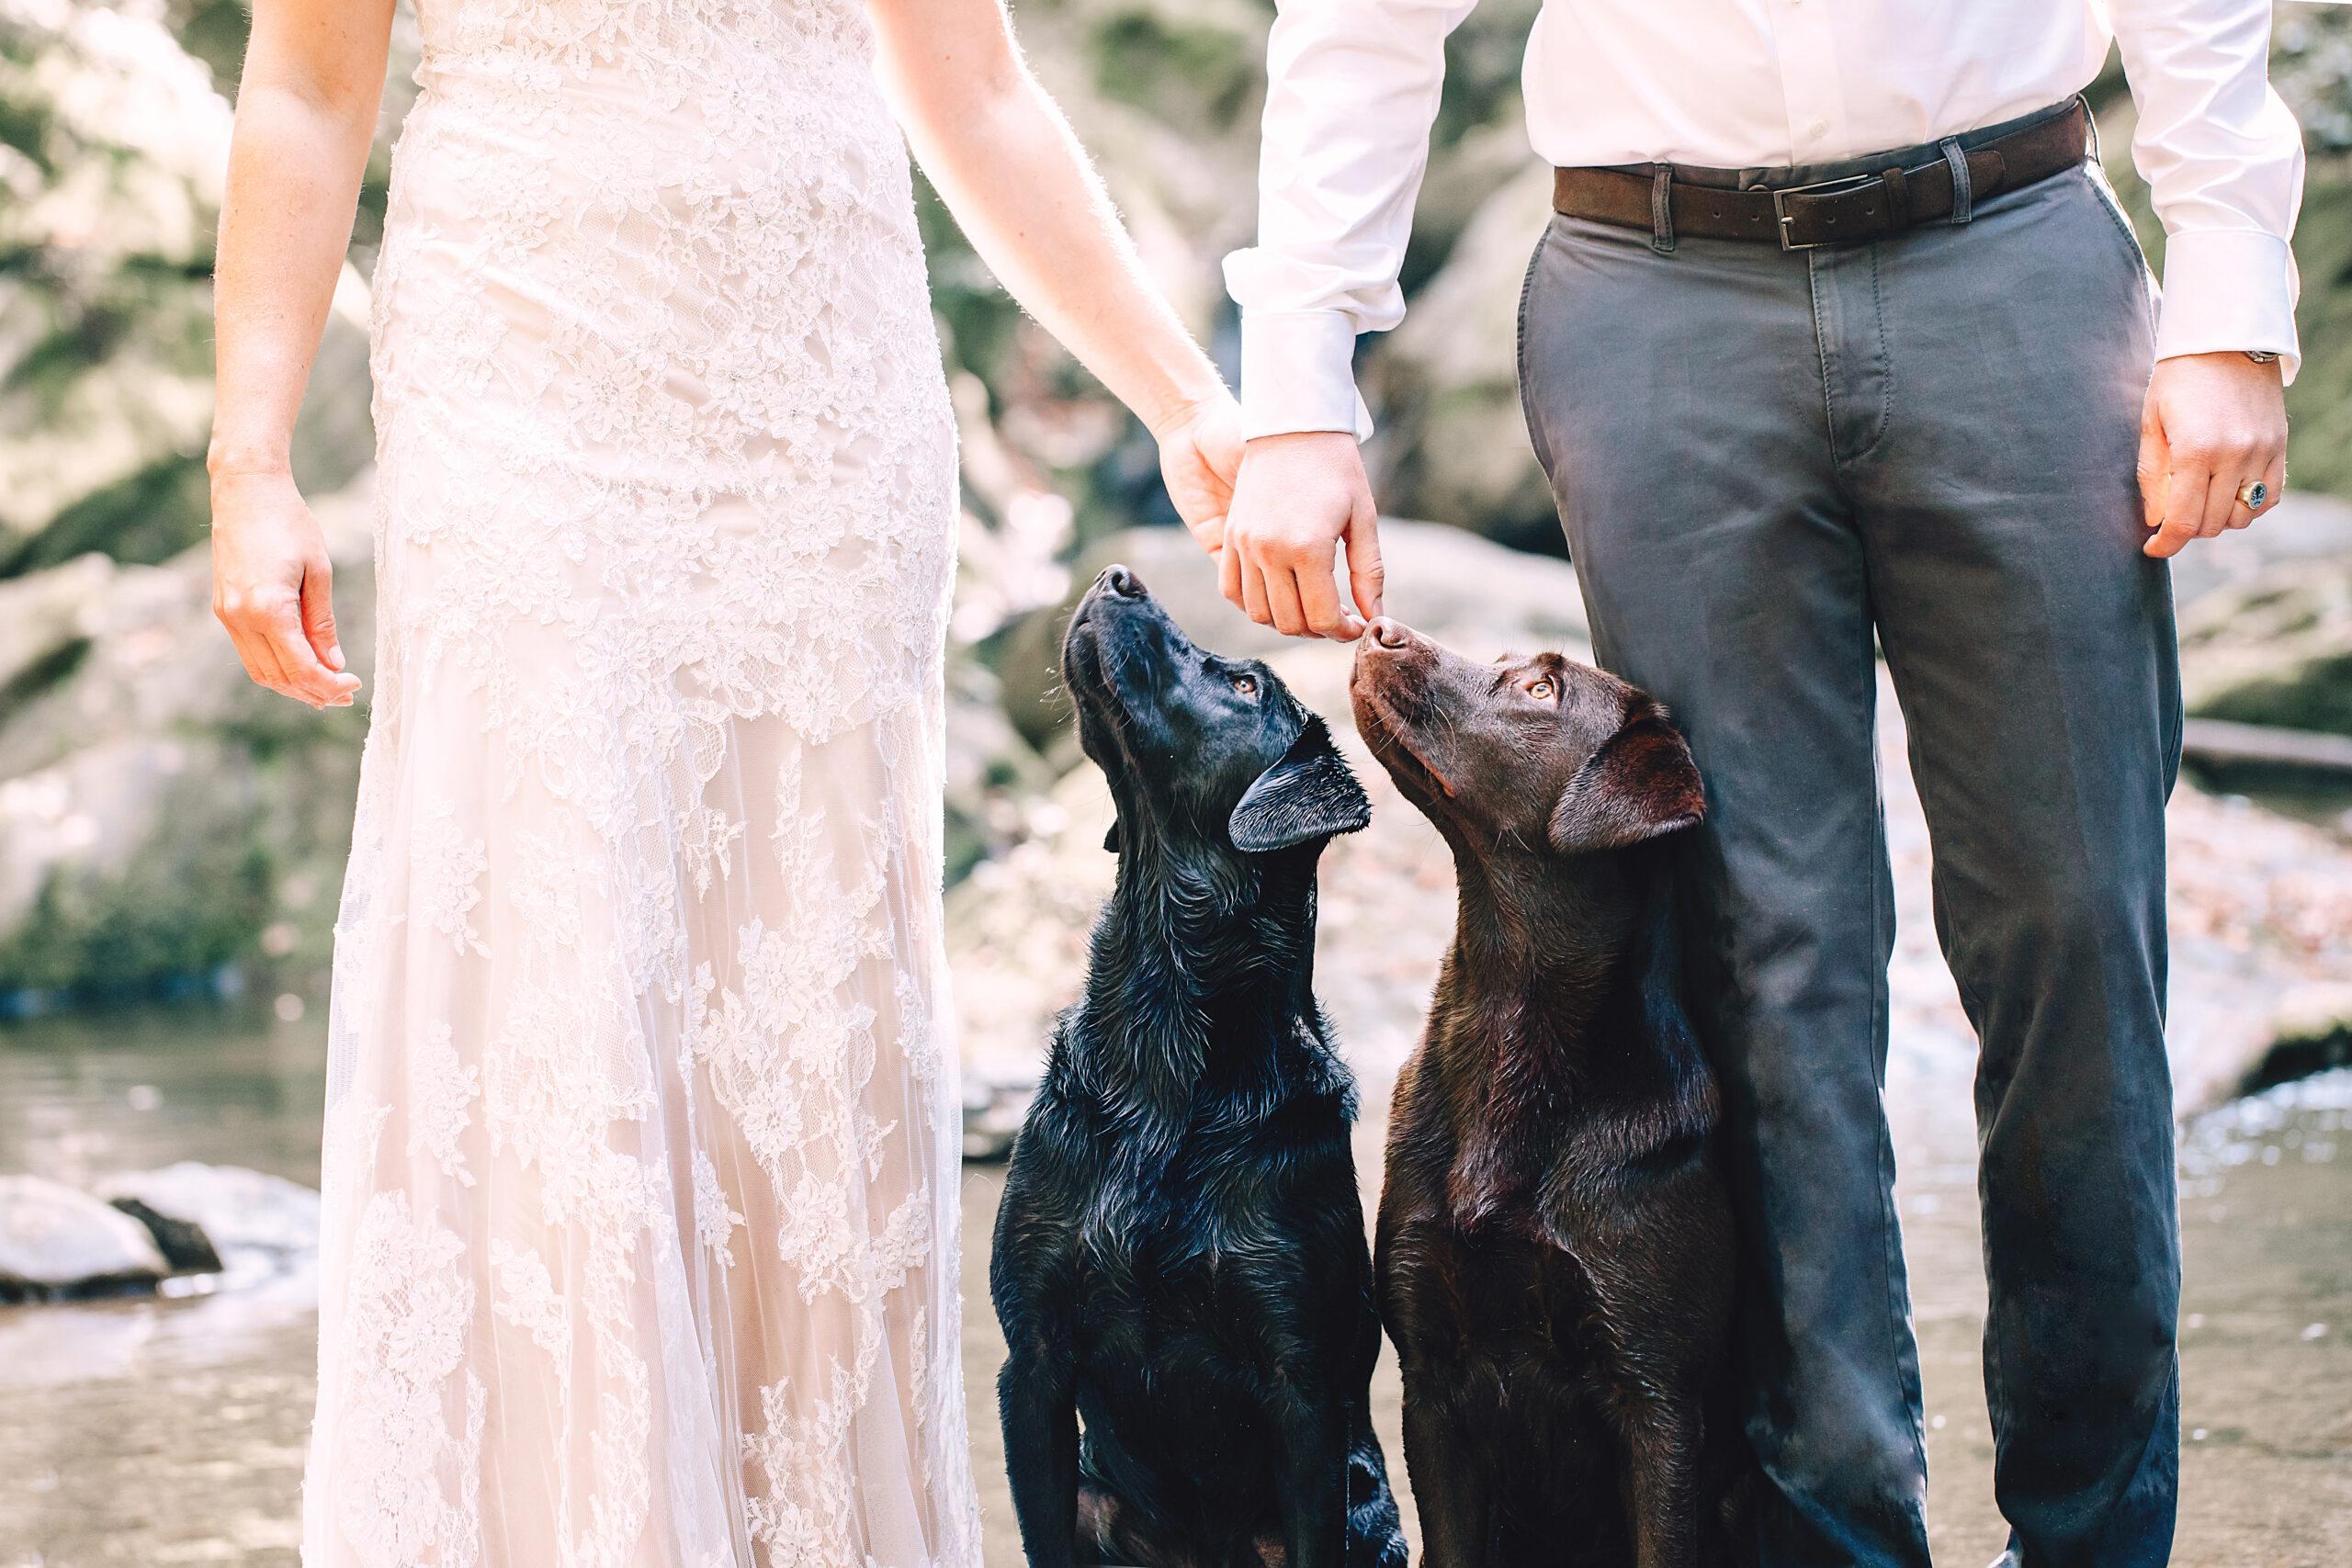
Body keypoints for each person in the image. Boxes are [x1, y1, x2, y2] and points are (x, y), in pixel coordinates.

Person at [1209, 3, 2301, 1565]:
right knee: (1756, 970)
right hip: (1657, 304)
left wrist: (2229, 295)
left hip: (2013, 259)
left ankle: (2096, 1543)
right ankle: (1830, 1541)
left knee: (2075, 936)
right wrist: (1302, 387)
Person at [206, 0, 1241, 1557]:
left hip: (820, 414)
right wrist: (250, 461)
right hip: (516, 386)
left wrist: (1184, 399)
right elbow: (302, 84)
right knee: (557, 974)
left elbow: (976, 91)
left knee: (809, 1014)